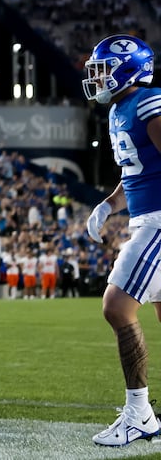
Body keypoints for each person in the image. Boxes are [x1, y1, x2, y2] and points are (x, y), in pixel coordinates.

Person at [83, 34, 161, 446]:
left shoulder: (150, 102)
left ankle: (139, 415)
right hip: (146, 216)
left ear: (128, 68)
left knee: (116, 306)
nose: (96, 77)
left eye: (102, 69)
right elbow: (135, 168)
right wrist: (110, 205)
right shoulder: (119, 110)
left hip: (159, 220)